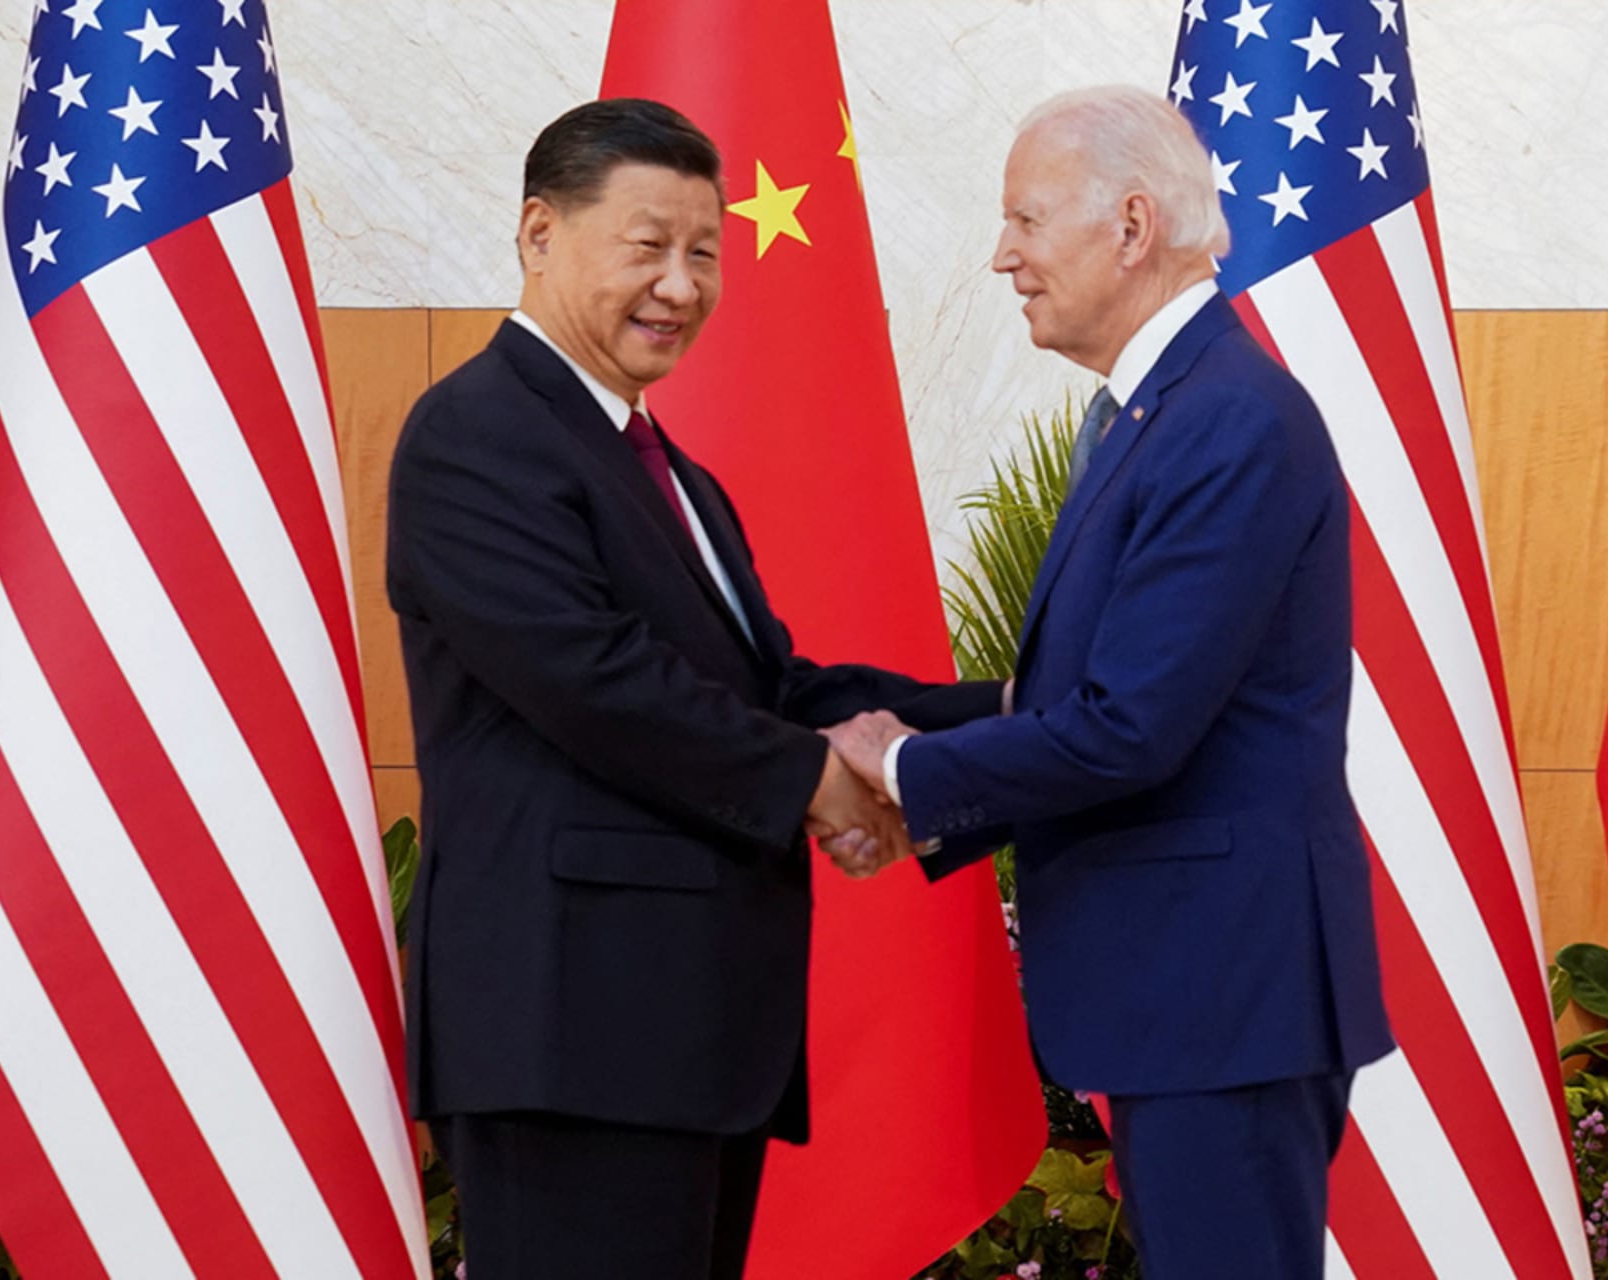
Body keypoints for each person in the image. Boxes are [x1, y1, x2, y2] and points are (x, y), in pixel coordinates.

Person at [385, 97, 1002, 1280]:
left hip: (679, 1030)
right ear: (539, 233)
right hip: (570, 1033)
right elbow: (596, 680)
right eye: (646, 244)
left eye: (705, 250)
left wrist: (1021, 713)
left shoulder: (673, 473)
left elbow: (776, 685)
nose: (680, 283)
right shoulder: (476, 432)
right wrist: (818, 782)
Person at [828, 87, 1395, 1278]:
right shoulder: (1160, 412)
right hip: (1195, 994)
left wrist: (898, 768)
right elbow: (1084, 692)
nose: (1003, 256)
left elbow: (1128, 725)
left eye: (1026, 220)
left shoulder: (1225, 419)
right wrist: (831, 706)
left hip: (1220, 995)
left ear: (1132, 227)